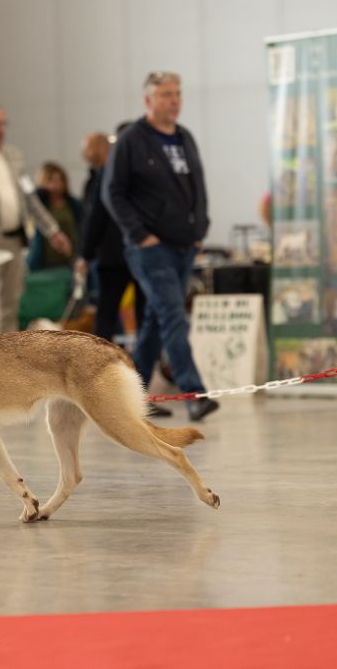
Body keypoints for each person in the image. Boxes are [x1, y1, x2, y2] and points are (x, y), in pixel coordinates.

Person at [102, 71, 218, 422]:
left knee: (155, 320)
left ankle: (132, 397)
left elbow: (197, 186)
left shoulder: (185, 138)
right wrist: (139, 235)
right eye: (166, 94)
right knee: (172, 315)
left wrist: (200, 228)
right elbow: (112, 193)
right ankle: (194, 394)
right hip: (150, 248)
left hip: (185, 244)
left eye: (178, 93)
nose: (174, 100)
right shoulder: (132, 140)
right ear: (148, 100)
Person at [0, 104, 72, 334]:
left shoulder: (14, 156)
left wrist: (52, 231)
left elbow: (30, 198)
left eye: (3, 123)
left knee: (12, 302)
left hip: (15, 240)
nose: (1, 129)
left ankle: (7, 359)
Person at [79, 131, 146, 344]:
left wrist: (84, 254)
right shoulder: (141, 172)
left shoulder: (106, 175)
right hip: (140, 250)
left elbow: (96, 217)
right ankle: (143, 367)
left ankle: (100, 365)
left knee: (106, 313)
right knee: (144, 313)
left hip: (114, 255)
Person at [28, 161, 83, 271]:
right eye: (50, 180)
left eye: (58, 180)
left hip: (69, 260)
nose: (55, 185)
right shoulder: (38, 205)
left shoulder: (74, 204)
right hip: (43, 261)